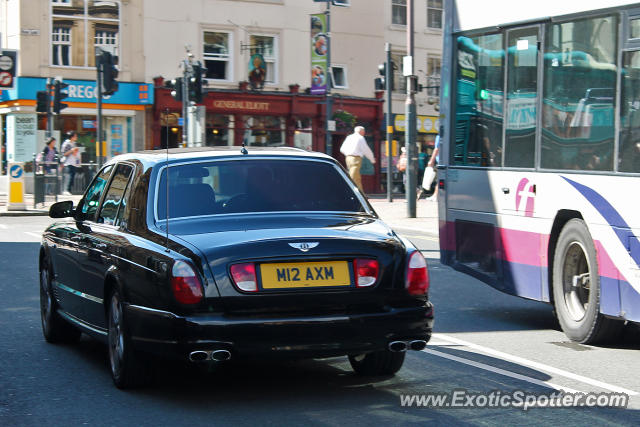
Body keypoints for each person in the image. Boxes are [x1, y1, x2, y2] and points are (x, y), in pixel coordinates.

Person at [340, 125, 375, 192]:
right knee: (353, 176)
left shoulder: (349, 137)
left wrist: (348, 153)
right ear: (361, 131)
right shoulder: (360, 138)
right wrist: (372, 159)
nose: (364, 133)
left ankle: (360, 193)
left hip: (348, 158)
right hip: (356, 159)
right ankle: (351, 192)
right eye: (364, 132)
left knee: (356, 177)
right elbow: (366, 150)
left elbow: (342, 149)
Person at [61, 131, 80, 195]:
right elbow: (64, 153)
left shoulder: (74, 144)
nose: (76, 137)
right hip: (68, 162)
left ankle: (69, 190)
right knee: (69, 176)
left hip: (73, 162)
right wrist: (72, 150)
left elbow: (75, 153)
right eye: (75, 136)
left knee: (72, 176)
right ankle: (66, 190)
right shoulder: (67, 144)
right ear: (72, 137)